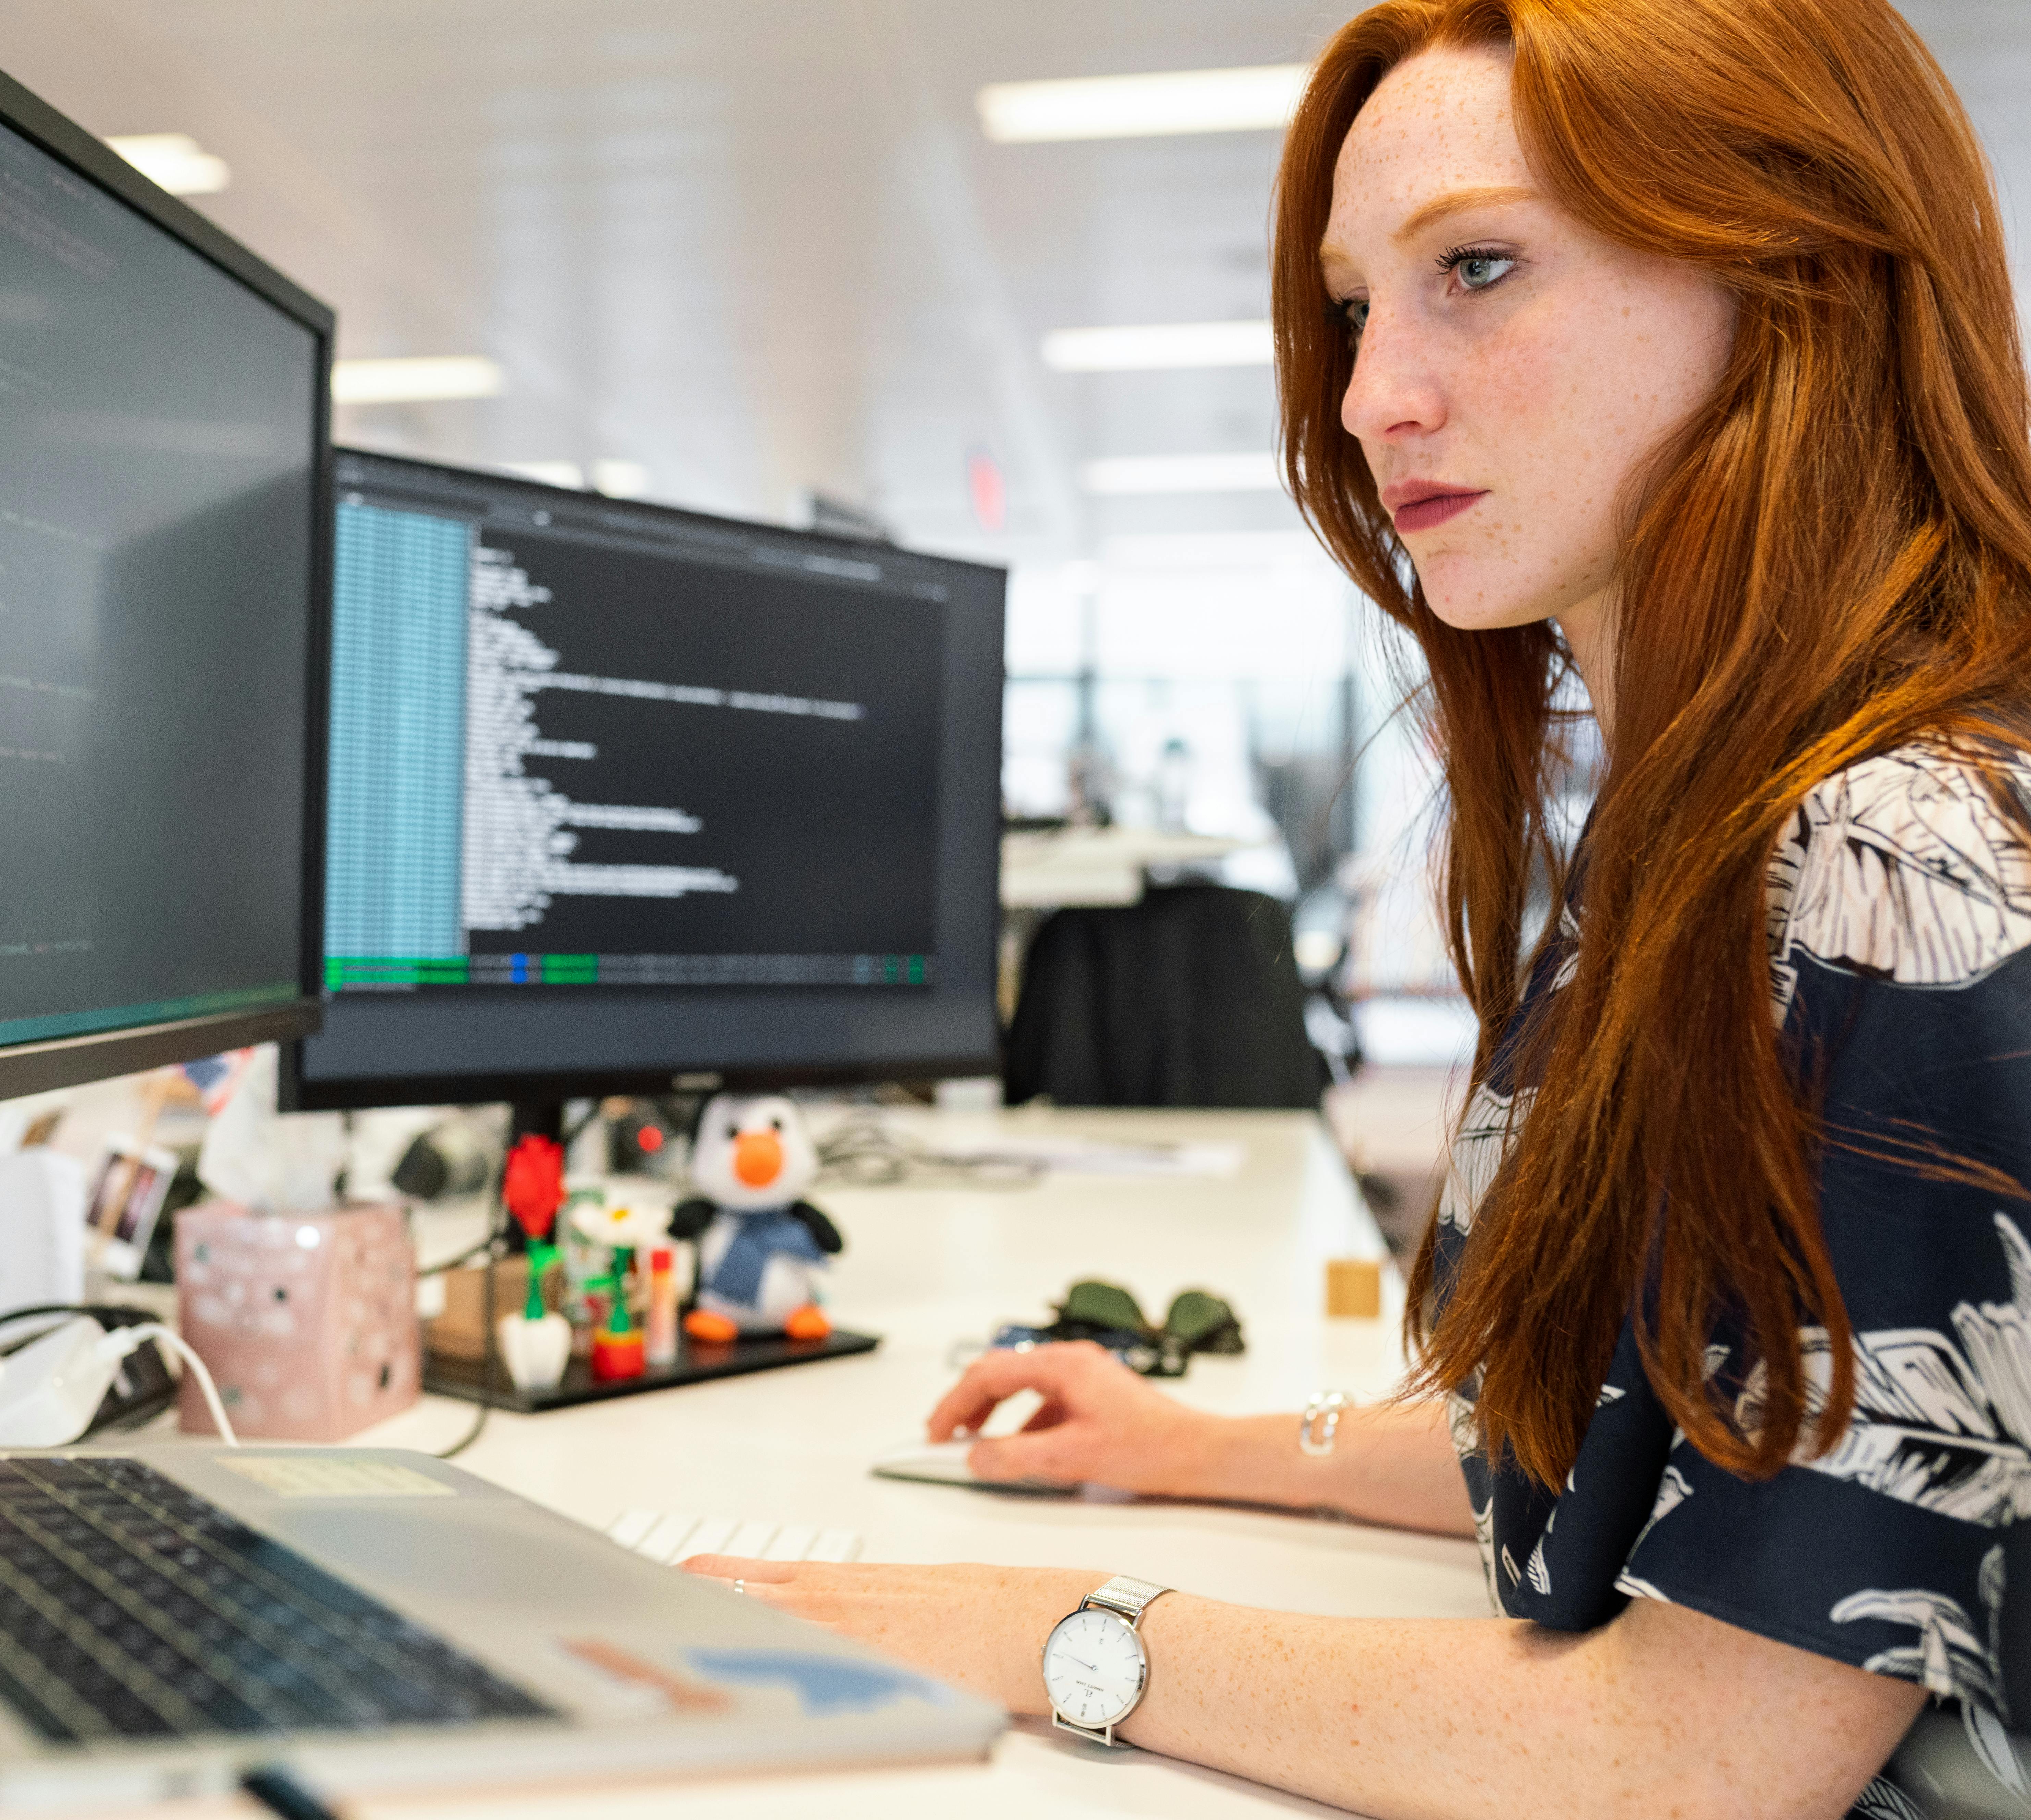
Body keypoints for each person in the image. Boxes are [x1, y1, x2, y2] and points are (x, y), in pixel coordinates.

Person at [686, 0, 2031, 1811]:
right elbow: (1664, 1439)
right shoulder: (1702, 830)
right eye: (1351, 306)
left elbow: (1704, 1754)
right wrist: (1208, 1444)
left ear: (1790, 273)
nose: (1367, 391)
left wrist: (1040, 1631)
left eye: (1478, 266)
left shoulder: (1903, 859)